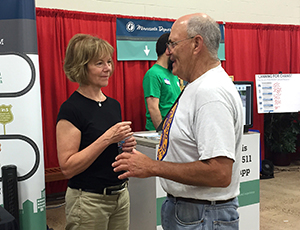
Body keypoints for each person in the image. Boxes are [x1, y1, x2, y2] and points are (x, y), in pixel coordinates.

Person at [113, 13, 243, 230]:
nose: (168, 51)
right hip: (192, 211)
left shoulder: (210, 93)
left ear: (196, 44)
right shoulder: (196, 85)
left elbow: (219, 173)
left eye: (173, 43)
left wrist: (152, 166)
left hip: (203, 216)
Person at [56, 33, 136, 230]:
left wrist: (124, 145)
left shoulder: (113, 105)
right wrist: (107, 138)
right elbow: (68, 167)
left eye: (109, 62)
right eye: (99, 63)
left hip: (120, 195)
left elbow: (111, 150)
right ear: (82, 67)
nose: (107, 68)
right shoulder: (72, 109)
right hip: (88, 200)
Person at [143, 32, 181, 130]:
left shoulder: (173, 73)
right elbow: (153, 108)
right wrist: (162, 133)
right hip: (160, 133)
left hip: (174, 129)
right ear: (168, 48)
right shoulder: (153, 74)